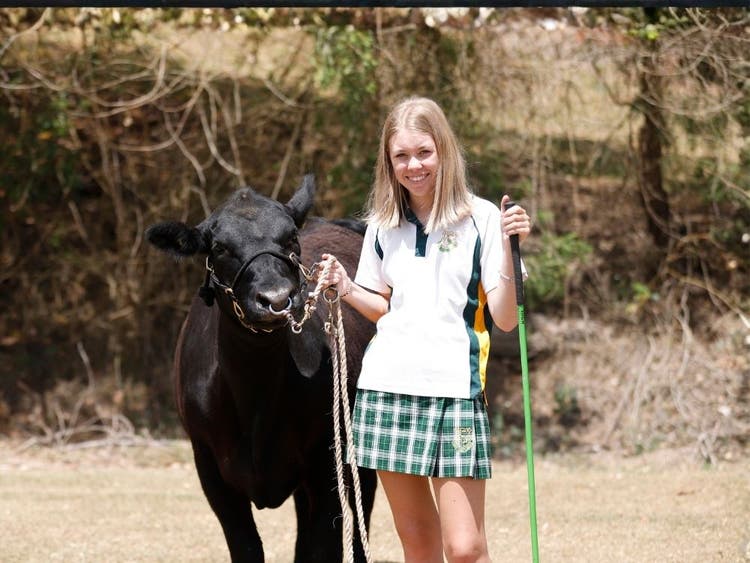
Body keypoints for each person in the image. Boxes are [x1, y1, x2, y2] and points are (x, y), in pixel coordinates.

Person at [319, 96, 531, 563]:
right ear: (389, 162)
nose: (413, 166)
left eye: (424, 153)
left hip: (455, 391)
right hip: (385, 390)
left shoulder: (484, 219)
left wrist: (512, 253)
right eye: (401, 156)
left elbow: (504, 318)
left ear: (444, 151)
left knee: (465, 549)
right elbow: (383, 306)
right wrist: (346, 286)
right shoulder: (381, 225)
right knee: (418, 547)